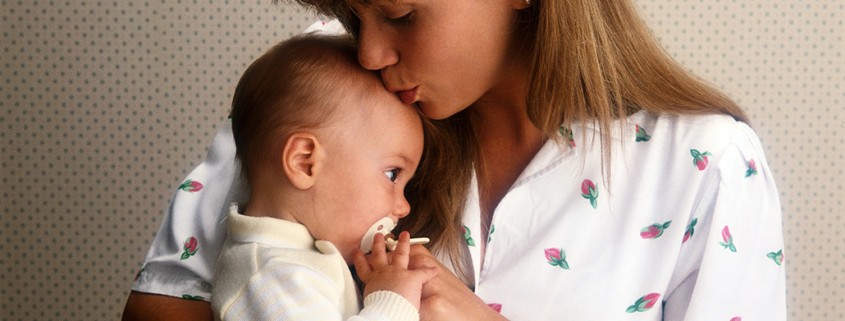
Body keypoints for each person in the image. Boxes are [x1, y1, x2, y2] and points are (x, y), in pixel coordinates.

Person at [123, 1, 787, 320]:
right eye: (357, 14)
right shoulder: (323, 85)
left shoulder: (706, 165)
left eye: (401, 13)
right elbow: (163, 305)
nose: (371, 53)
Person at [209, 33, 436, 320]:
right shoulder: (271, 279)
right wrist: (391, 301)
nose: (404, 207)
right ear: (305, 163)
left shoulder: (295, 260)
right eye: (392, 174)